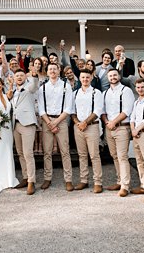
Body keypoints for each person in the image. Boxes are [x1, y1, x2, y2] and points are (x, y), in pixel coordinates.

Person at [37, 62, 75, 191]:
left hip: (61, 120)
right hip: (47, 120)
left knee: (65, 151)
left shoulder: (66, 86)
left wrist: (56, 122)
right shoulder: (42, 88)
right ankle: (47, 178)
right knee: (47, 152)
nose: (52, 71)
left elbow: (68, 107)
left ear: (59, 71)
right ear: (47, 72)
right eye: (50, 69)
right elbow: (41, 108)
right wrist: (49, 123)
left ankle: (68, 179)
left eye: (55, 69)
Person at [102, 68, 135, 197]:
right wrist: (107, 123)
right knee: (114, 156)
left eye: (115, 75)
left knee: (122, 156)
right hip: (109, 127)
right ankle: (119, 181)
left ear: (119, 76)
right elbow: (103, 111)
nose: (113, 77)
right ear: (108, 78)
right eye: (110, 76)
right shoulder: (105, 93)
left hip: (122, 127)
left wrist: (114, 122)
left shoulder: (126, 91)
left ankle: (125, 185)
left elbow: (127, 110)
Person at [71, 68, 104, 193]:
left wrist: (85, 122)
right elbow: (72, 111)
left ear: (91, 78)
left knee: (94, 155)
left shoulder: (97, 93)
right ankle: (84, 180)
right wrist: (78, 123)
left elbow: (97, 111)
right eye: (83, 77)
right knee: (82, 155)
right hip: (78, 127)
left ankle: (98, 182)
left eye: (87, 77)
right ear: (80, 78)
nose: (85, 79)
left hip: (92, 126)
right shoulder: (75, 93)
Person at [8, 67, 39, 195]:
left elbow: (34, 84)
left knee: (28, 153)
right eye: (17, 76)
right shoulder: (13, 91)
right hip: (16, 124)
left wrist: (34, 74)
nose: (19, 77)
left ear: (25, 77)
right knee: (20, 153)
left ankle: (32, 181)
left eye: (21, 75)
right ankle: (25, 178)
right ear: (14, 78)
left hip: (27, 123)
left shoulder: (29, 88)